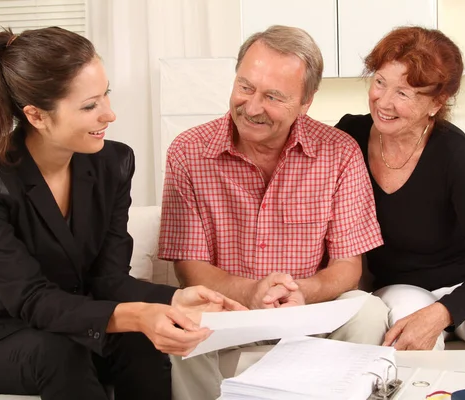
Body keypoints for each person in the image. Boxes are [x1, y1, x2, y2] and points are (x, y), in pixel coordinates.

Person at [0, 27, 245, 400]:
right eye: (90, 105)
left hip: (85, 327)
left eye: (106, 94)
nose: (110, 113)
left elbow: (108, 280)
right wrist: (137, 315)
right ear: (36, 116)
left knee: (142, 341)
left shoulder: (114, 163)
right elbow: (30, 299)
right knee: (63, 351)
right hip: (13, 340)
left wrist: (172, 300)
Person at [158, 25, 389, 400]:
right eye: (245, 87)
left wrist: (302, 292)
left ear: (306, 100)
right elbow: (189, 267)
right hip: (227, 316)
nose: (251, 108)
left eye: (273, 96)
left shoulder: (340, 153)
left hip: (310, 317)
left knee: (369, 310)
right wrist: (251, 293)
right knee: (183, 321)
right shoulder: (188, 151)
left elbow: (349, 266)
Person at [335, 26, 465, 357]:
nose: (383, 101)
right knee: (410, 350)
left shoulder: (455, 152)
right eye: (379, 82)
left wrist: (443, 312)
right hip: (404, 287)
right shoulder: (349, 136)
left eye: (403, 93)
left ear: (436, 102)